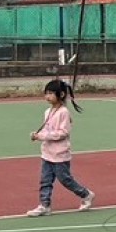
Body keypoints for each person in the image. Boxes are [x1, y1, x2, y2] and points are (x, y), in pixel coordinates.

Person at [25, 79, 95, 216]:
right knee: (45, 181)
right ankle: (44, 205)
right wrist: (38, 135)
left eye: (51, 93)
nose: (47, 96)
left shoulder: (64, 112)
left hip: (60, 154)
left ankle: (86, 194)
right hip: (47, 153)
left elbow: (63, 133)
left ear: (61, 94)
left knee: (65, 180)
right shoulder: (48, 111)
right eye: (46, 93)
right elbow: (47, 129)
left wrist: (43, 136)